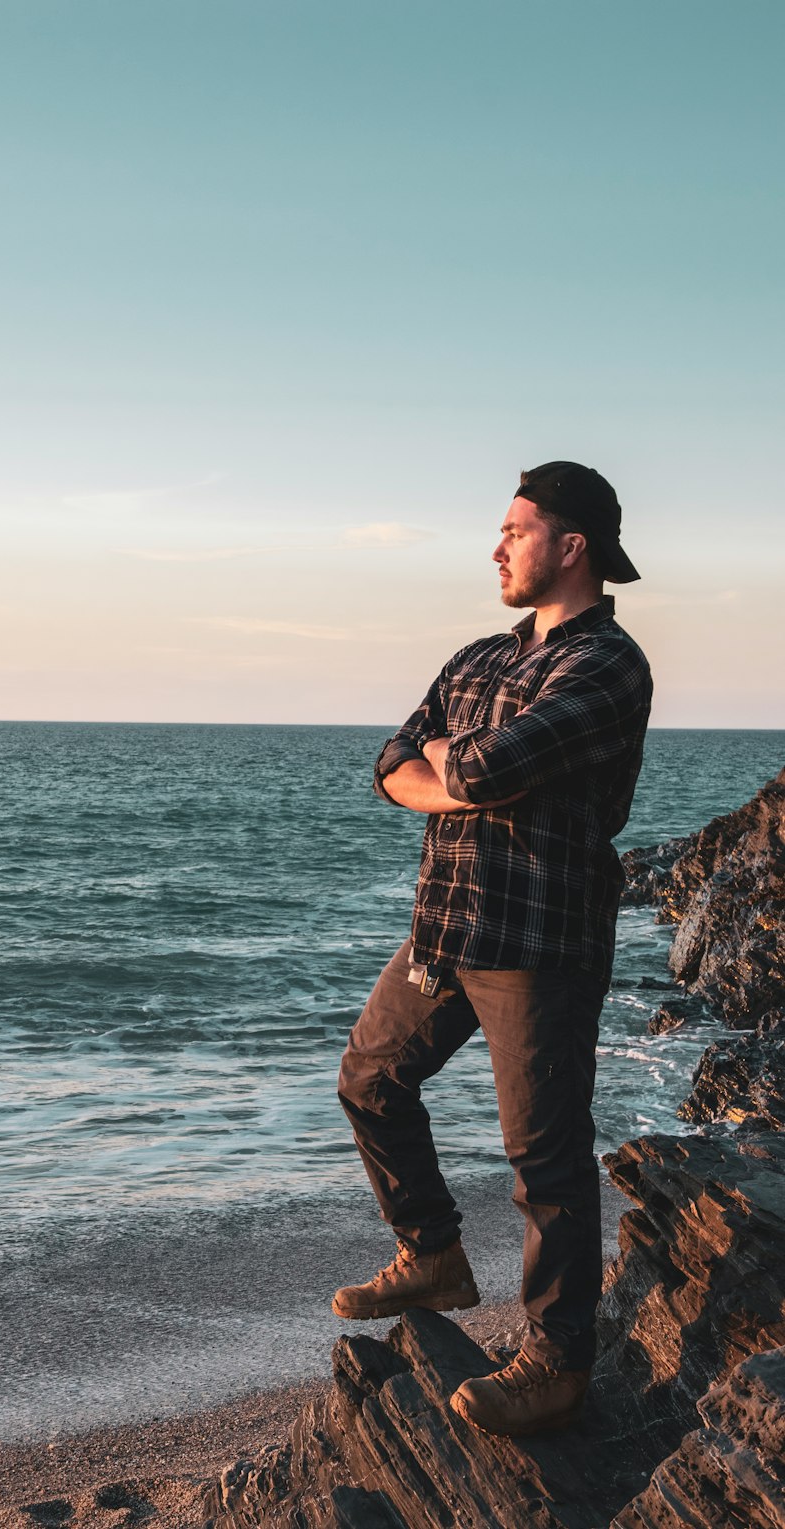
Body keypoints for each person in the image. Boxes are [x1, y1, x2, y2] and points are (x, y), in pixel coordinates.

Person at [332, 461, 652, 1438]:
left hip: (539, 938)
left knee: (543, 1152)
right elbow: (394, 761)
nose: (497, 545)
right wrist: (446, 772)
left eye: (516, 528)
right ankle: (432, 1252)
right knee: (370, 1077)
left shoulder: (608, 665)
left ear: (572, 545)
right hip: (446, 925)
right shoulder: (478, 656)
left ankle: (557, 1358)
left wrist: (450, 766)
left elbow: (477, 760)